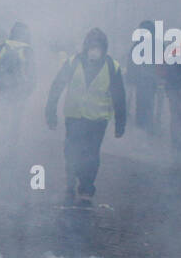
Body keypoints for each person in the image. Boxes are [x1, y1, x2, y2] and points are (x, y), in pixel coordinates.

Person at [44, 27, 126, 207]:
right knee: (71, 151)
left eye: (99, 47)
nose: (94, 51)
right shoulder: (73, 62)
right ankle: (70, 181)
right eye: (92, 46)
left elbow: (119, 96)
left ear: (104, 49)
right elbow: (57, 86)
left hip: (97, 120)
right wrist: (50, 111)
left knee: (91, 155)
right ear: (86, 47)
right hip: (74, 117)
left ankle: (87, 187)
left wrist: (121, 123)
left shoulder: (112, 67)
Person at [0, 21, 35, 142]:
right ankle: (12, 142)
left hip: (3, 87)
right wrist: (30, 88)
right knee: (16, 117)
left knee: (3, 111)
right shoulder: (27, 49)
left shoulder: (3, 45)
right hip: (20, 88)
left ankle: (0, 138)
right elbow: (32, 72)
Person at [130, 19, 158, 133]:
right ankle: (146, 126)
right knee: (147, 104)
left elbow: (132, 62)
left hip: (146, 80)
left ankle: (143, 126)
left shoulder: (141, 44)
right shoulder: (155, 44)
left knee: (143, 104)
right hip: (148, 80)